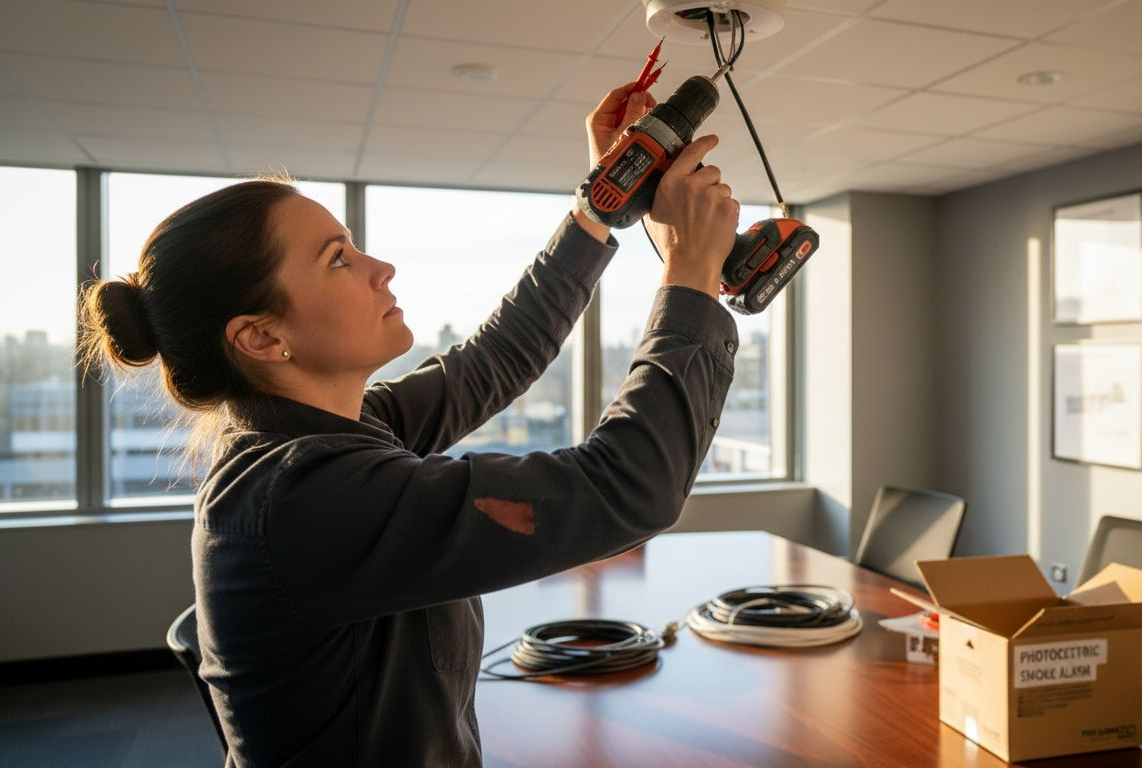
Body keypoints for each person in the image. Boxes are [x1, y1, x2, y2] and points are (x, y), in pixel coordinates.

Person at [77, 81, 741, 767]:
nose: (381, 268)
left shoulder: (327, 432)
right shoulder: (306, 498)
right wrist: (691, 269)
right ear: (262, 337)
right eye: (338, 258)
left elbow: (494, 361)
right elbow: (628, 487)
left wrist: (597, 205)